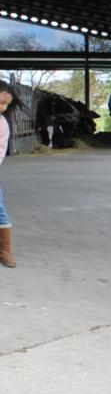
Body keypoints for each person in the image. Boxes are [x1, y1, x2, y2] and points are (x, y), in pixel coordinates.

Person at [0, 81, 24, 268]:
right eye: (0, 102)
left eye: (6, 104)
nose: (3, 107)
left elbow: (0, 152)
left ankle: (5, 250)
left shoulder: (2, 125)